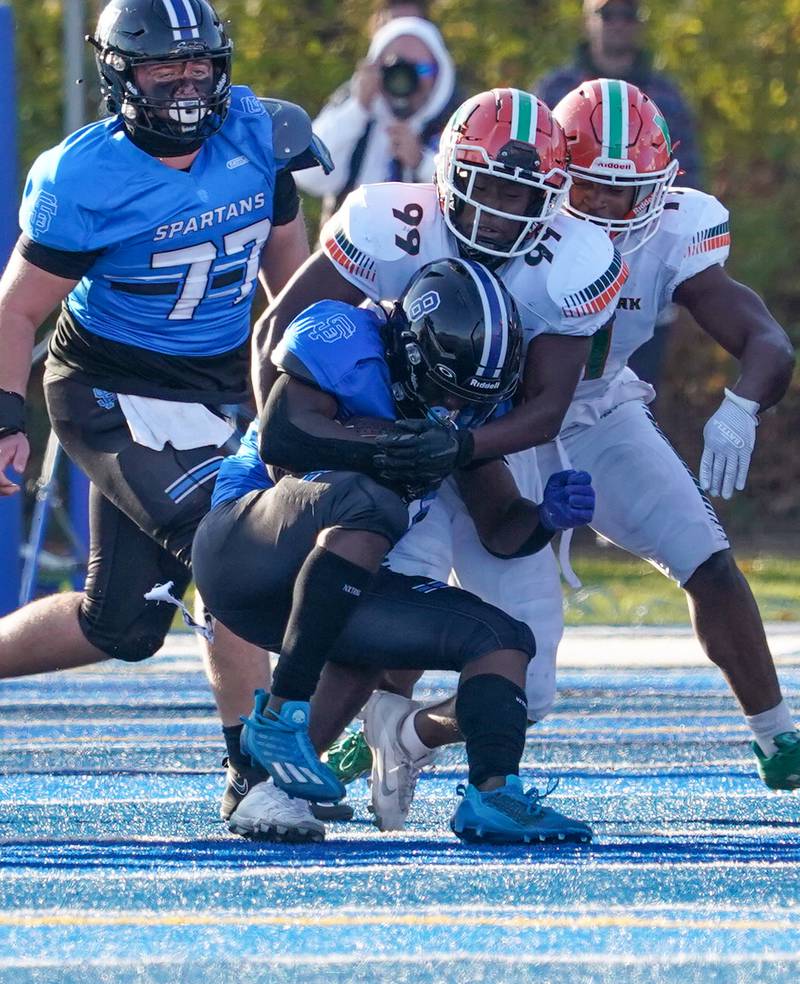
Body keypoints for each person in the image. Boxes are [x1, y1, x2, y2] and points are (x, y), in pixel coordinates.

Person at [246, 87, 627, 831]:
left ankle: (413, 739)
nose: (498, 212)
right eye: (484, 186)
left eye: (521, 195)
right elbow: (279, 334)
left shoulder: (576, 261)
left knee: (534, 678)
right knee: (373, 618)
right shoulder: (389, 220)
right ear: (449, 171)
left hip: (493, 441)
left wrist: (461, 447)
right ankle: (276, 784)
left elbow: (545, 406)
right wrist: (295, 456)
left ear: (553, 199)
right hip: (379, 439)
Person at [0, 0, 330, 832]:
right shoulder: (84, 176)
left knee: (124, 623)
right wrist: (7, 417)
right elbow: (15, 312)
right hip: (110, 389)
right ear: (120, 74)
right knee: (229, 547)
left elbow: (291, 290)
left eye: (199, 65)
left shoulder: (259, 135)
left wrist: (295, 393)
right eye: (162, 66)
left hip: (219, 383)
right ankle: (254, 774)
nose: (186, 82)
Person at [190, 256, 596, 844]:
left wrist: (545, 519)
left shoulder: (464, 412)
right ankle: (282, 713)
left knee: (504, 641)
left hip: (332, 582)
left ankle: (492, 795)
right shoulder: (346, 338)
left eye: (467, 401)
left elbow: (501, 528)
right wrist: (389, 443)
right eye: (442, 388)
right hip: (245, 550)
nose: (452, 410)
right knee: (375, 497)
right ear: (409, 348)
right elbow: (284, 437)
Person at [533, 0, 703, 390]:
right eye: (607, 13)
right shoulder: (556, 88)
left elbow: (687, 181)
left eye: (629, 14)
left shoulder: (666, 96)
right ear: (587, 19)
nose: (618, 24)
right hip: (559, 263)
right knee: (546, 390)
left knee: (631, 394)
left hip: (637, 260)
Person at [293, 16, 459, 226]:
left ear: (441, 74)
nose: (405, 78)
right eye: (393, 66)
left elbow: (466, 198)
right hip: (348, 253)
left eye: (422, 69)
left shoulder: (455, 127)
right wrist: (358, 109)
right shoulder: (354, 111)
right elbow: (308, 177)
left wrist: (422, 162)